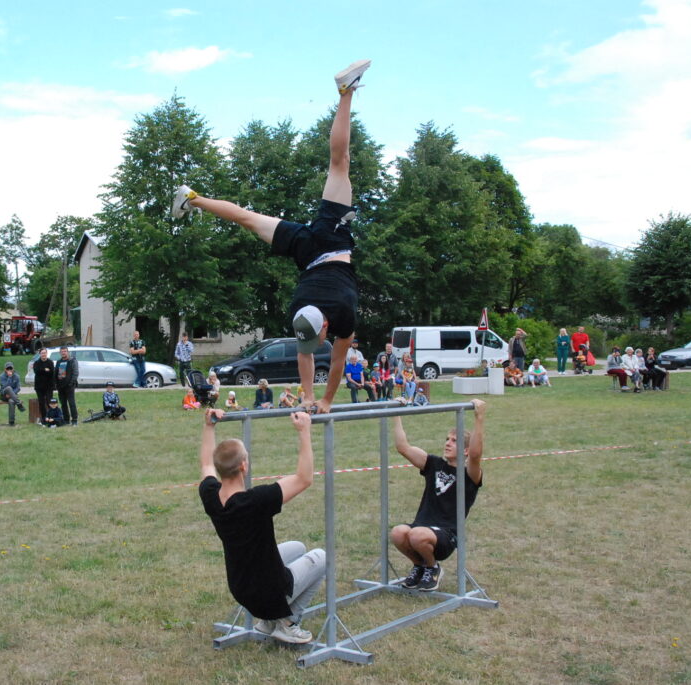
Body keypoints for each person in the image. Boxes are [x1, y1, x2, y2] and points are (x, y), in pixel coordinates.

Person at [174, 60, 372, 414]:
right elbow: (316, 354)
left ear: (322, 323)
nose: (314, 345)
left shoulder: (321, 313)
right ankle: (192, 198)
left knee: (337, 164)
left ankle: (346, 94)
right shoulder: (318, 316)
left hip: (324, 242)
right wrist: (312, 398)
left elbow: (332, 360)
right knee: (256, 215)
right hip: (313, 251)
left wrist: (323, 399)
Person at [198, 407, 326, 644]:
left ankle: (269, 622)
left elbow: (206, 464)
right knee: (322, 556)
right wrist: (304, 431)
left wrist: (209, 426)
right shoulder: (256, 500)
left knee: (297, 547)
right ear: (244, 467)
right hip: (270, 590)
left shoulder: (210, 494)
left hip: (240, 588)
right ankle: (287, 623)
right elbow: (304, 478)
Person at [390, 399, 486, 591]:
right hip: (422, 527)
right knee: (398, 533)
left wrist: (479, 417)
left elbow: (476, 456)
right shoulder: (433, 464)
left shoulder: (470, 474)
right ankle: (421, 566)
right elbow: (403, 447)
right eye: (447, 439)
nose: (447, 443)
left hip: (446, 535)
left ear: (465, 450)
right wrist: (396, 413)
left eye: (454, 441)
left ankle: (433, 568)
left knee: (417, 535)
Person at [55, 346, 79, 426]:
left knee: (71, 403)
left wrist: (71, 383)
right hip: (60, 387)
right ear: (60, 353)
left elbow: (75, 373)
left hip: (69, 386)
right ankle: (66, 420)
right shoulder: (59, 362)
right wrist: (56, 384)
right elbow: (56, 373)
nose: (63, 353)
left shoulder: (72, 361)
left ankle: (74, 420)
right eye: (62, 351)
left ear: (67, 352)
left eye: (65, 351)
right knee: (63, 404)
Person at [33, 348, 56, 424]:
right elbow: (37, 372)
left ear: (47, 353)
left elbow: (52, 372)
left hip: (49, 386)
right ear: (40, 354)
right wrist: (45, 370)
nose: (43, 354)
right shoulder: (37, 363)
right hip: (39, 387)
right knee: (41, 403)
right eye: (42, 353)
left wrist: (43, 371)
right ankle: (44, 419)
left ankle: (51, 418)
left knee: (49, 402)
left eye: (45, 353)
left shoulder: (50, 362)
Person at [0, 361, 26, 425]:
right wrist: (9, 377)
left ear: (13, 368)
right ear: (5, 369)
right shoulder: (2, 376)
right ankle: (19, 404)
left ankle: (11, 422)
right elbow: (4, 386)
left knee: (11, 401)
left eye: (10, 368)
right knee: (8, 388)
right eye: (7, 368)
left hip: (13, 396)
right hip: (4, 395)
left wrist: (11, 394)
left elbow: (18, 388)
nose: (9, 370)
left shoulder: (17, 376)